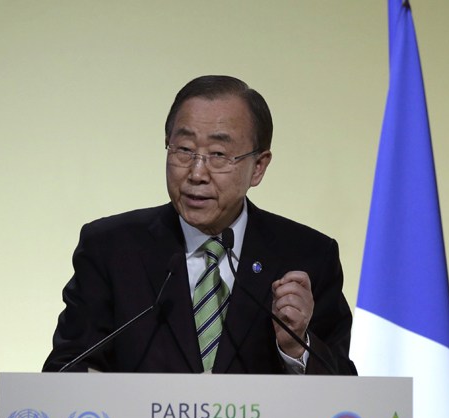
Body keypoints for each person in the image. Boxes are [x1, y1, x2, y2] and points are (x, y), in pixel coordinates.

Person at [42, 75, 356, 375]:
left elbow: (347, 400)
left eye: (218, 154)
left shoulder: (308, 255)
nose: (196, 173)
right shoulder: (110, 249)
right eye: (184, 150)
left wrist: (296, 348)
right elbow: (66, 370)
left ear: (258, 167)